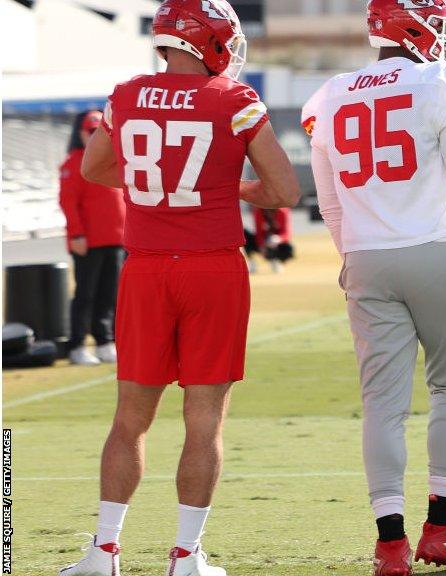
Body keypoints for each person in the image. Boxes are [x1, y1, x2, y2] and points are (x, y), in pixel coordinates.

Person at [60, 1, 300, 575]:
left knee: (129, 419)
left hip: (144, 269)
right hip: (211, 269)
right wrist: (227, 187)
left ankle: (105, 551)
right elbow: (284, 190)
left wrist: (159, 180)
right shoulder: (235, 100)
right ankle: (186, 557)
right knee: (204, 419)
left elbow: (96, 169)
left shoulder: (126, 96)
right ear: (211, 41)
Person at [302, 1, 446, 574]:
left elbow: (328, 201)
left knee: (382, 406)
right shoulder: (438, 81)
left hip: (366, 258)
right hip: (438, 251)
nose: (443, 37)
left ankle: (390, 545)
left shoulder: (330, 95)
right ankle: (441, 527)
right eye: (437, 24)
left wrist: (354, 258)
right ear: (415, 24)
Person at [59, 110, 126, 366]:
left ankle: (104, 341)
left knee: (111, 294)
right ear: (81, 133)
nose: (96, 136)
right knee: (86, 294)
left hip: (116, 238)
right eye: (91, 131)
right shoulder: (73, 162)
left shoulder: (114, 159)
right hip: (88, 241)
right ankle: (77, 345)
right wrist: (76, 234)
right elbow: (68, 202)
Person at [253, 207, 294, 273]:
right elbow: (258, 232)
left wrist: (279, 239)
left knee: (289, 248)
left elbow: (287, 233)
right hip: (264, 241)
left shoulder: (283, 211)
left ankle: (277, 260)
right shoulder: (258, 211)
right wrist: (261, 245)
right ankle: (251, 260)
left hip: (277, 243)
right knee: (246, 237)